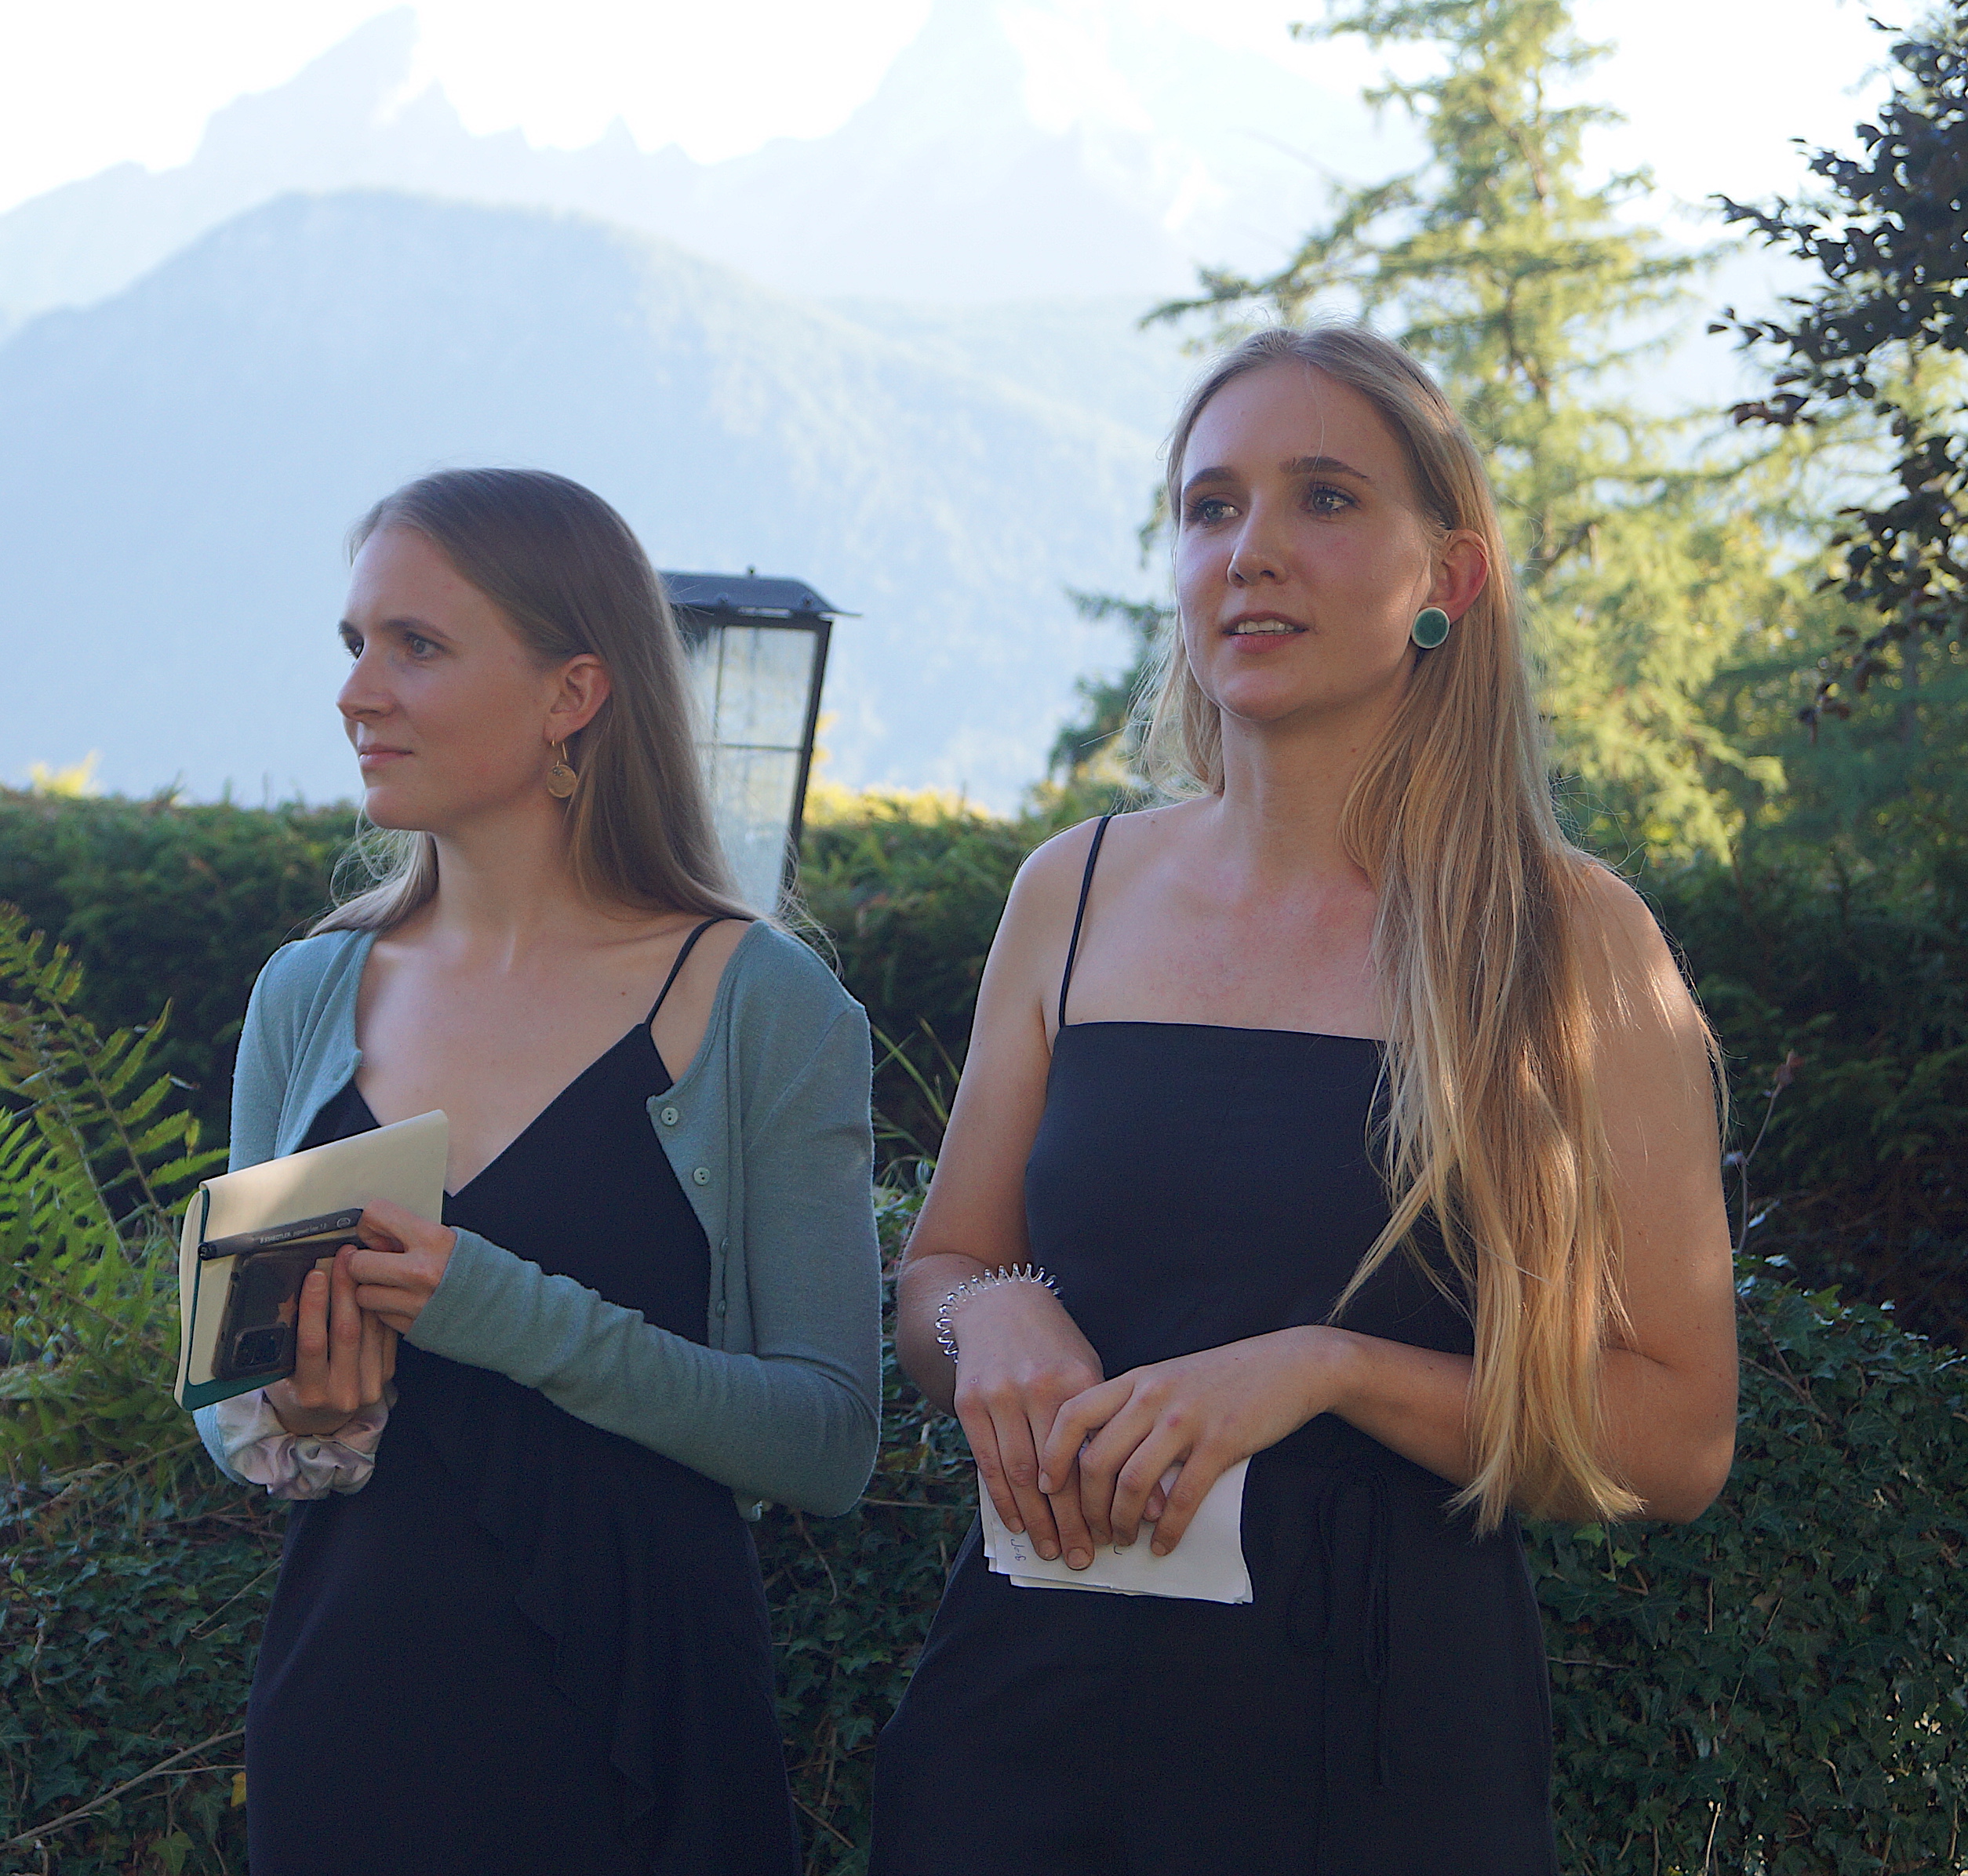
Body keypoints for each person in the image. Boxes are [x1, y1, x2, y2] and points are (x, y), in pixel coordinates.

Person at [871, 325, 1738, 1874]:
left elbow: (1675, 1436)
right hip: (1021, 1723)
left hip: (1380, 1754)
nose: (1250, 550)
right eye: (1210, 507)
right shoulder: (1070, 892)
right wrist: (989, 1316)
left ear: (1449, 577)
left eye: (1323, 497)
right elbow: (939, 1272)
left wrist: (1327, 1370)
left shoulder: (1564, 939)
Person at [191, 468, 881, 1876]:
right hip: (349, 1730)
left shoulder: (760, 1005)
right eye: (354, 644)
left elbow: (826, 1442)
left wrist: (495, 1309)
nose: (357, 693)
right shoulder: (305, 994)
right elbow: (226, 1395)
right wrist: (303, 1413)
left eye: (417, 646)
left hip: (642, 1741)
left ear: (574, 693)